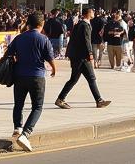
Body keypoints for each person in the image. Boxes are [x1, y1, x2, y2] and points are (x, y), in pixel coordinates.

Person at [6, 12, 57, 152]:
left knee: (19, 104)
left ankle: (17, 128)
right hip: (37, 76)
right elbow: (50, 57)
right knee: (37, 107)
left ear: (28, 24)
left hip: (19, 75)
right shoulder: (43, 39)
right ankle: (26, 133)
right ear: (42, 24)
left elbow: (9, 54)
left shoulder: (19, 38)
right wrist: (54, 69)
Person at [55, 9, 111, 110]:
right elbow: (87, 40)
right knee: (90, 78)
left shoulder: (80, 24)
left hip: (77, 56)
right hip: (82, 57)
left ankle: (61, 99)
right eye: (92, 12)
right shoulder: (85, 25)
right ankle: (99, 101)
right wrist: (90, 54)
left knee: (76, 79)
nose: (93, 13)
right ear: (87, 14)